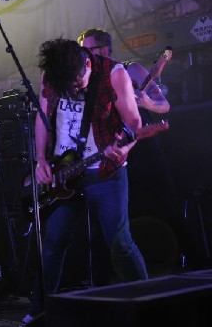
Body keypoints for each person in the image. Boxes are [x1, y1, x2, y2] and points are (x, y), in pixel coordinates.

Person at [22, 38, 148, 324]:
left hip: (104, 169)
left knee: (120, 243)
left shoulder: (114, 73)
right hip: (64, 171)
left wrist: (124, 147)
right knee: (53, 243)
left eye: (78, 84)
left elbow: (135, 123)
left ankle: (149, 305)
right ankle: (37, 312)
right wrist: (41, 159)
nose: (74, 89)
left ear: (88, 64)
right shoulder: (53, 75)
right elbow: (43, 118)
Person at [78, 28, 189, 274]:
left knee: (165, 207)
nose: (84, 54)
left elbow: (165, 105)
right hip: (117, 156)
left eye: (89, 49)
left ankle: (188, 267)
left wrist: (146, 102)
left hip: (146, 150)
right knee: (124, 222)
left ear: (105, 49)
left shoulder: (130, 69)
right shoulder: (90, 77)